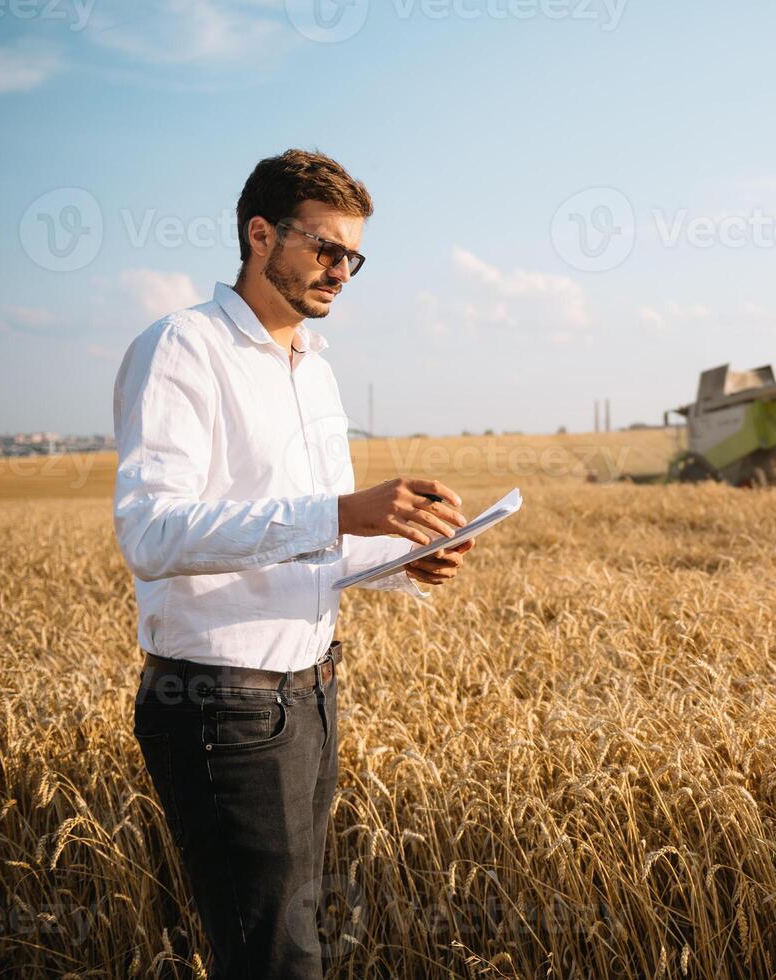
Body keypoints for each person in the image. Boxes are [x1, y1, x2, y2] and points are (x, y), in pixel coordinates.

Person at [113, 149, 475, 979]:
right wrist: (343, 512)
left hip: (311, 692)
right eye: (325, 248)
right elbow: (152, 532)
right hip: (220, 704)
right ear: (259, 233)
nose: (341, 270)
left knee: (286, 948)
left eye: (353, 256)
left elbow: (318, 539)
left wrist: (404, 556)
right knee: (278, 962)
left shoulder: (317, 372)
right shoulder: (182, 348)